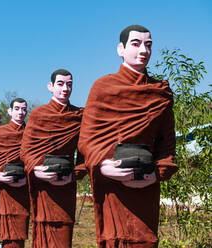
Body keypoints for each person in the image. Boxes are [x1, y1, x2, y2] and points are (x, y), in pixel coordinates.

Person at [78, 25, 178, 247]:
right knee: (117, 240)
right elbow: (86, 139)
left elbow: (167, 145)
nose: (143, 50)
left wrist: (156, 174)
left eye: (148, 45)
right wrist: (104, 166)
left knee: (145, 240)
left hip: (146, 183)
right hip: (112, 182)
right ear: (120, 49)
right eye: (136, 44)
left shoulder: (160, 92)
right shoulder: (103, 87)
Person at [20, 69, 86, 248]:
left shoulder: (79, 116)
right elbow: (26, 150)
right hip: (43, 184)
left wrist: (75, 173)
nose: (65, 88)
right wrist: (36, 169)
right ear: (50, 87)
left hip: (66, 183)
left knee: (64, 231)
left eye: (69, 84)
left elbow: (85, 152)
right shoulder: (38, 115)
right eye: (60, 84)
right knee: (43, 228)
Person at [0, 98, 29, 248]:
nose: (21, 112)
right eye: (17, 109)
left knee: (21, 225)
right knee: (7, 228)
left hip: (24, 185)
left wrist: (28, 178)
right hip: (6, 187)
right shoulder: (1, 132)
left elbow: (35, 158)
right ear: (10, 111)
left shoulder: (30, 130)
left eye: (24, 109)